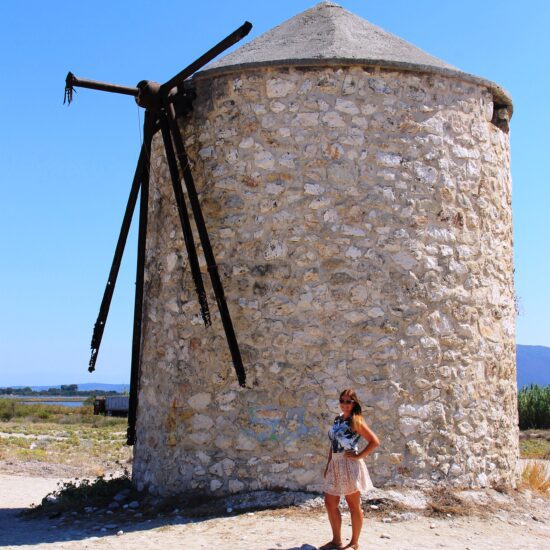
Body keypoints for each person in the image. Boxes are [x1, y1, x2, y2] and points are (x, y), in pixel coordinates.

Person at [320, 389, 380, 550]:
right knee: (330, 503)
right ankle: (336, 540)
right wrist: (328, 464)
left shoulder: (356, 421)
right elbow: (332, 444)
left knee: (353, 505)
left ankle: (354, 542)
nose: (345, 404)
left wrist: (358, 456)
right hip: (335, 464)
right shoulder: (337, 419)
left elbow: (374, 441)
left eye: (348, 401)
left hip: (349, 465)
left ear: (354, 403)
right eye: (342, 401)